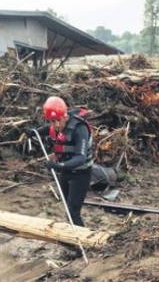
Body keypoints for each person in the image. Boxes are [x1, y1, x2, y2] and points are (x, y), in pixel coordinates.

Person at [29, 96, 93, 226]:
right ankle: (71, 235)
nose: (56, 125)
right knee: (67, 208)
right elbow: (49, 129)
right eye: (52, 121)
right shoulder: (55, 124)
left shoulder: (79, 129)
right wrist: (35, 132)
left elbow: (80, 158)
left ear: (65, 115)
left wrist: (58, 166)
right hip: (65, 172)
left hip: (80, 174)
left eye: (58, 120)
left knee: (73, 211)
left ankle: (83, 239)